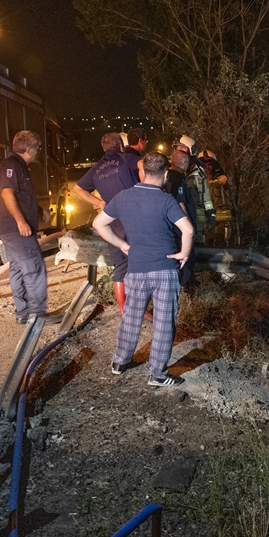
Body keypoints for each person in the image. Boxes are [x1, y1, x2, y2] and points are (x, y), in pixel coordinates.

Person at [94, 152, 194, 387]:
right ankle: (157, 374)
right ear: (166, 174)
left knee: (131, 316)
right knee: (163, 322)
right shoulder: (166, 200)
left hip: (136, 268)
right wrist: (184, 254)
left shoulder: (122, 197)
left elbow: (98, 224)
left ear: (142, 172)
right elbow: (187, 230)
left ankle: (120, 362)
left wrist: (121, 244)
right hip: (164, 269)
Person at [72, 132, 139, 311]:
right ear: (120, 145)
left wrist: (99, 202)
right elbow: (143, 165)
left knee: (120, 265)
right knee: (139, 260)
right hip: (134, 218)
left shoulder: (96, 169)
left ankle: (123, 307)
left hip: (112, 222)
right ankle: (139, 304)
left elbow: (77, 189)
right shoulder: (126, 158)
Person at [0, 130, 47, 324]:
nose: (38, 153)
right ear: (28, 149)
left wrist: (39, 209)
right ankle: (37, 314)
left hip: (13, 228)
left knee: (18, 269)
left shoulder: (20, 166)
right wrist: (20, 221)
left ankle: (23, 313)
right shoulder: (12, 165)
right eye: (37, 149)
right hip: (16, 229)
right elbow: (7, 193)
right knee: (34, 267)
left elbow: (21, 195)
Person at [168, 149, 199, 287]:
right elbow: (180, 204)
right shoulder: (178, 178)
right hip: (181, 228)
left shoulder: (167, 176)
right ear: (184, 162)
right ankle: (183, 287)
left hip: (171, 227)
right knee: (186, 259)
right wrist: (189, 226)